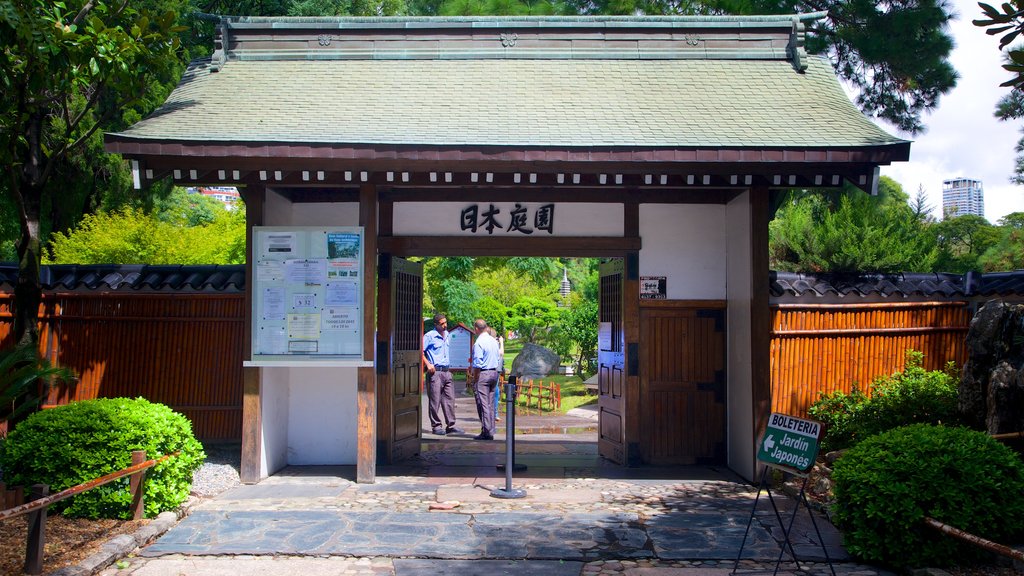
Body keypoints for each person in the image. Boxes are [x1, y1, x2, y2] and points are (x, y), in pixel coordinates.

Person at [422, 313, 463, 436]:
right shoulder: (429, 336)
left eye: (446, 322)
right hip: (435, 372)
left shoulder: (448, 335)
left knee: (450, 399)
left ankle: (451, 425)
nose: (445, 325)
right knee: (435, 400)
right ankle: (436, 426)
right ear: (436, 325)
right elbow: (420, 351)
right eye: (442, 324)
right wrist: (428, 364)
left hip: (446, 371)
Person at [470, 318, 502, 440]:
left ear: (476, 329)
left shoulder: (479, 343)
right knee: (490, 403)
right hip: (494, 372)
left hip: (483, 374)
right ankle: (491, 429)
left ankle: (486, 431)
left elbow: (477, 364)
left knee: (483, 404)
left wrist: (475, 378)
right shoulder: (493, 341)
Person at [489, 327, 505, 422]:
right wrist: (501, 342)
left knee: (495, 392)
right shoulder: (493, 343)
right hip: (493, 371)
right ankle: (493, 414)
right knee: (495, 393)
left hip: (495, 371)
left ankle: (493, 413)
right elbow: (501, 353)